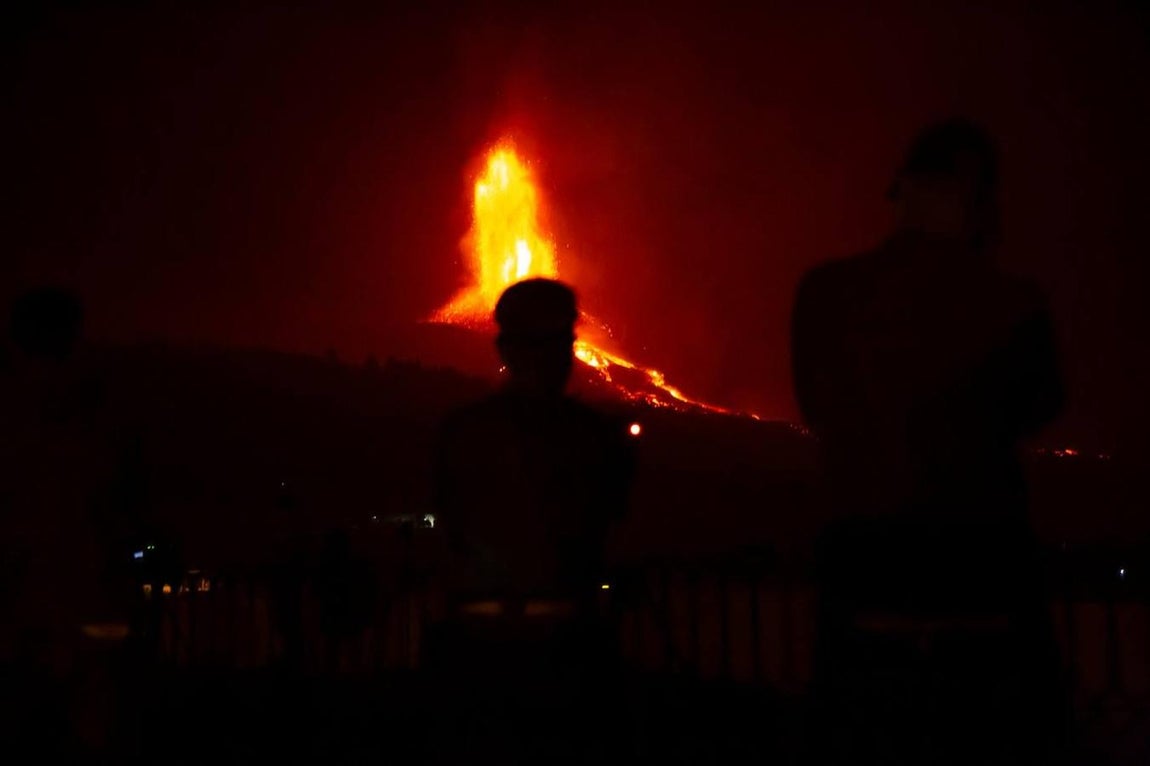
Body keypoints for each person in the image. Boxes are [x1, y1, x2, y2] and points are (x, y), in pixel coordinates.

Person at [792, 120, 1064, 763]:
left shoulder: (826, 294)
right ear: (970, 197)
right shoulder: (1012, 303)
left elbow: (817, 405)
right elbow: (1041, 407)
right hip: (983, 582)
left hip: (860, 583)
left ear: (904, 193)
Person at [429, 278, 634, 763]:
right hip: (559, 652)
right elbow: (613, 525)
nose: (558, 355)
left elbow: (448, 524)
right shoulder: (595, 439)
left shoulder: (462, 434)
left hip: (482, 649)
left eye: (560, 342)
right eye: (554, 341)